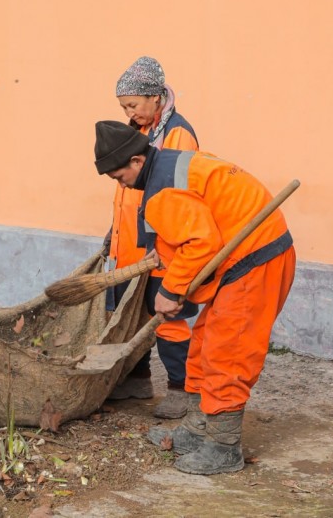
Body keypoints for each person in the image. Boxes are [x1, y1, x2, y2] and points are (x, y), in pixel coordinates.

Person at [93, 120, 296, 475]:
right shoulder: (169, 167)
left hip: (255, 261)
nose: (120, 184)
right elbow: (194, 228)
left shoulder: (162, 193)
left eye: (118, 176)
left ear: (137, 161)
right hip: (242, 258)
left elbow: (200, 242)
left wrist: (170, 291)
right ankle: (197, 427)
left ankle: (223, 446)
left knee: (228, 352)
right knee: (203, 344)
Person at [105, 56, 199, 420]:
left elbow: (177, 198)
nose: (130, 112)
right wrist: (111, 236)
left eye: (133, 104)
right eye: (124, 107)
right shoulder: (140, 132)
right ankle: (138, 378)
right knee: (135, 315)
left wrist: (160, 247)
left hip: (161, 247)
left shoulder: (178, 134)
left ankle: (182, 388)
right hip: (130, 245)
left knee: (167, 317)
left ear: (156, 97)